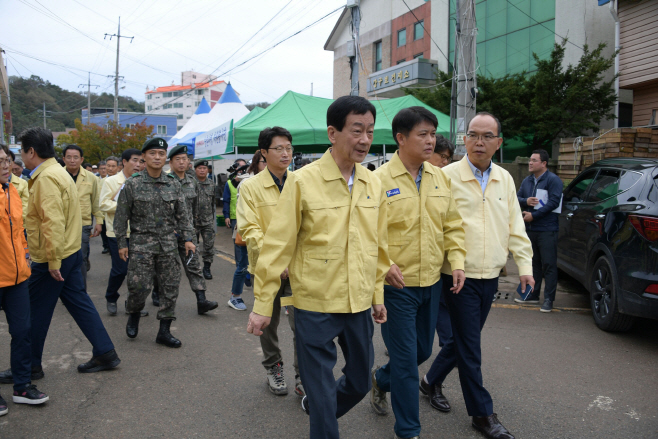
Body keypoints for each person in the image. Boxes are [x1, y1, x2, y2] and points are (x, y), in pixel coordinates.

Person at [247, 96, 389, 439]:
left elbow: (378, 246)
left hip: (356, 303)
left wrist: (377, 294)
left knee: (357, 379)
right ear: (332, 132)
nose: (365, 139)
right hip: (313, 304)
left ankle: (320, 409)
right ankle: (322, 417)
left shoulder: (373, 182)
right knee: (321, 389)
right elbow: (277, 246)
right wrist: (263, 305)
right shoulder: (302, 181)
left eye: (369, 131)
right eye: (357, 130)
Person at [422, 113, 533, 439]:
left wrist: (524, 267)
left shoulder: (505, 179)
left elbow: (516, 226)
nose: (479, 141)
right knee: (470, 348)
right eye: (473, 135)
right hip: (457, 276)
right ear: (464, 139)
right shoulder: (446, 176)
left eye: (487, 136)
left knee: (461, 342)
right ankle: (482, 414)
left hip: (490, 276)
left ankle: (429, 382)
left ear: (498, 143)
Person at [369, 107, 466, 439]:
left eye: (433, 133)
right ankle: (408, 430)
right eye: (422, 134)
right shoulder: (378, 180)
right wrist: (383, 266)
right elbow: (367, 233)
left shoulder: (440, 177)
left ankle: (381, 378)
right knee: (408, 364)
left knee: (422, 351)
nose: (431, 140)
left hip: (432, 282)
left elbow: (452, 224)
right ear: (401, 138)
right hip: (397, 287)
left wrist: (457, 262)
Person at [14, 127, 120, 380]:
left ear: (31, 151)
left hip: (54, 256)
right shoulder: (57, 172)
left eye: (21, 150)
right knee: (80, 303)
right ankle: (105, 351)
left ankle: (29, 366)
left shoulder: (47, 177)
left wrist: (52, 260)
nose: (21, 155)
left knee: (36, 312)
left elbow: (52, 222)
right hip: (69, 251)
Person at [237, 127, 303, 397]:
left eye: (289, 147)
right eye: (279, 148)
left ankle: (303, 374)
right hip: (266, 268)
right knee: (268, 323)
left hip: (299, 268)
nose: (286, 153)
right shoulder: (250, 186)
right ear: (263, 152)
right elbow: (250, 229)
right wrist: (277, 261)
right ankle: (274, 367)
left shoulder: (301, 182)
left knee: (303, 324)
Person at [114, 138, 195, 348]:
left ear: (165, 157)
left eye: (161, 153)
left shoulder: (173, 184)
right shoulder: (132, 184)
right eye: (152, 153)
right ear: (144, 157)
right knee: (139, 288)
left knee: (170, 288)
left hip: (168, 244)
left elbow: (183, 215)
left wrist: (188, 239)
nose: (157, 157)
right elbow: (121, 216)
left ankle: (164, 330)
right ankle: (133, 313)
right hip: (141, 244)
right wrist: (122, 242)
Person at [0, 143, 49, 415]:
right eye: (0, 162)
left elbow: (20, 232)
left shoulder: (14, 192)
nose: (7, 166)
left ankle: (21, 386)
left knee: (22, 332)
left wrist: (26, 255)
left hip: (18, 277)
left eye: (8, 160)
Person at [162, 144, 218, 315]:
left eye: (184, 159)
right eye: (177, 159)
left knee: (194, 266)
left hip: (188, 233)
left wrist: (192, 228)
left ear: (188, 162)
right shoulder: (164, 182)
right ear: (170, 163)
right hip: (168, 235)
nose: (181, 162)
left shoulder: (191, 182)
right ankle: (158, 294)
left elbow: (195, 208)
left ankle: (201, 300)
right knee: (166, 269)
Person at [100, 148, 149, 317]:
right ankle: (111, 297)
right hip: (118, 234)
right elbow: (104, 205)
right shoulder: (111, 181)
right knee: (120, 270)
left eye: (141, 161)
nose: (138, 164)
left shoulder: (143, 181)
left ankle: (133, 304)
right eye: (135, 160)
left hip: (139, 233)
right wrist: (126, 207)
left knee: (138, 272)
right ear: (124, 162)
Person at [516, 149, 563, 312]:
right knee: (533, 263)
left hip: (547, 229)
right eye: (530, 160)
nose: (530, 163)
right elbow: (517, 198)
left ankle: (549, 299)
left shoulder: (553, 180)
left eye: (534, 160)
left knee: (548, 264)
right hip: (530, 229)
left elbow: (554, 202)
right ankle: (532, 295)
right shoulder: (527, 181)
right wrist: (526, 200)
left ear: (544, 163)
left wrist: (534, 216)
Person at [62, 144, 104, 288]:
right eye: (69, 157)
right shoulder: (56, 176)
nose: (72, 160)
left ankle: (80, 291)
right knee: (62, 259)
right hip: (61, 224)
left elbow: (96, 201)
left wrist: (99, 221)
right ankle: (65, 290)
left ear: (81, 159)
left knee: (80, 259)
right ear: (63, 159)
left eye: (76, 157)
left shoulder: (91, 178)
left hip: (82, 225)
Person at [224, 158, 249, 311]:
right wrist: (227, 216)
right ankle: (235, 296)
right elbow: (226, 200)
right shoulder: (236, 182)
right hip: (239, 221)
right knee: (242, 262)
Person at [194, 159, 217, 280]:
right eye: (200, 168)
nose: (202, 170)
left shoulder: (212, 184)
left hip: (207, 221)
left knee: (209, 246)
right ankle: (195, 268)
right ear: (195, 170)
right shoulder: (191, 184)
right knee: (193, 246)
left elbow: (213, 202)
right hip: (193, 221)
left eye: (204, 168)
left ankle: (207, 268)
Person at [8, 151, 29, 219]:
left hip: (17, 225)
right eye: (1, 161)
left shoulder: (24, 183)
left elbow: (25, 207)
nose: (5, 164)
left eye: (8, 160)